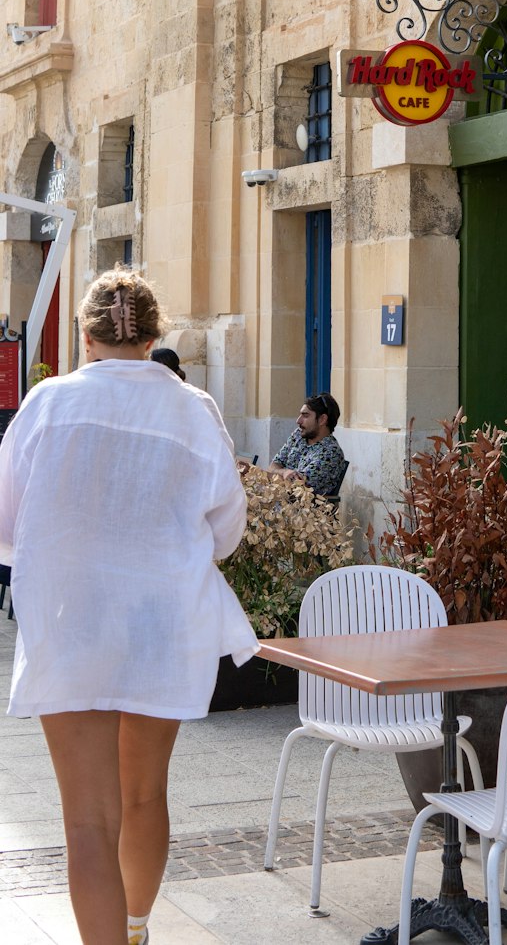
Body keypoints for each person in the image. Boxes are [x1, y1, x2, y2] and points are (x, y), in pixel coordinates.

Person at [0, 266, 258, 945]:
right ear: (153, 339)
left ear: (86, 338)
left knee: (87, 820)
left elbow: (5, 522)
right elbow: (227, 530)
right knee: (144, 793)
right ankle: (137, 929)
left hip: (71, 621)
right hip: (159, 623)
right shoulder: (192, 408)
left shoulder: (48, 404)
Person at [262, 392, 348, 502]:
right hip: (277, 504)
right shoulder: (299, 436)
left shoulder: (330, 453)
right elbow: (272, 467)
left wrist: (278, 473)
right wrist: (284, 472)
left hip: (300, 515)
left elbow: (295, 487)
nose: (298, 421)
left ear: (322, 419)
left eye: (305, 415)